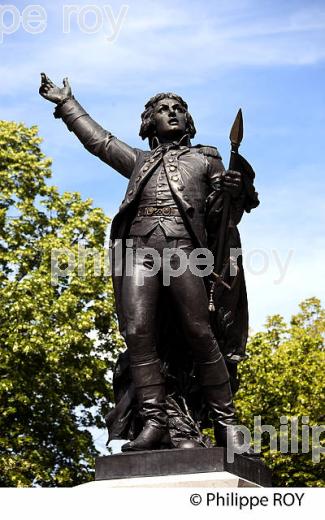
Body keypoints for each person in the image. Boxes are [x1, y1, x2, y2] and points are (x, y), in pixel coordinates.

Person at [39, 74, 259, 454]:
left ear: (188, 122)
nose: (172, 113)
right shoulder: (139, 162)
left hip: (184, 251)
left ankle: (226, 425)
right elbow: (100, 142)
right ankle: (155, 422)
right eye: (163, 110)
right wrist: (66, 104)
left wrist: (234, 189)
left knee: (199, 332)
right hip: (139, 251)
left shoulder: (207, 160)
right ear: (149, 123)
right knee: (138, 333)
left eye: (179, 110)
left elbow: (228, 214)